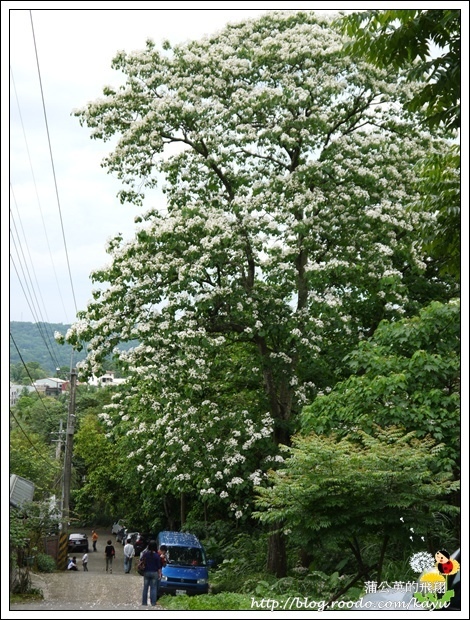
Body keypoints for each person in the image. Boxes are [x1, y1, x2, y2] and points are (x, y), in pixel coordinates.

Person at [141, 540, 162, 607]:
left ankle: (144, 602)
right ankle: (153, 603)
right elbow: (159, 566)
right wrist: (159, 574)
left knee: (145, 588)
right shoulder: (157, 555)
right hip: (154, 573)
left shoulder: (146, 554)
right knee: (153, 588)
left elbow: (141, 560)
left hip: (146, 572)